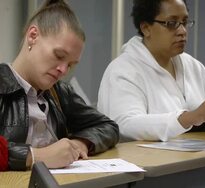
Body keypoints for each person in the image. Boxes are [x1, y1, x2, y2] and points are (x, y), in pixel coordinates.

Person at [0, 0, 119, 171]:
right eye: (58, 55)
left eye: (71, 64)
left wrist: (81, 143)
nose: (63, 70)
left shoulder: (60, 92)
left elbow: (108, 127)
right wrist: (37, 156)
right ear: (32, 36)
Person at [97, 0, 205, 142]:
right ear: (146, 28)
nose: (182, 31)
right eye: (172, 23)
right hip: (145, 162)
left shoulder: (192, 65)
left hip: (194, 161)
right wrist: (188, 118)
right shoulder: (123, 70)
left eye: (184, 22)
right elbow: (125, 125)